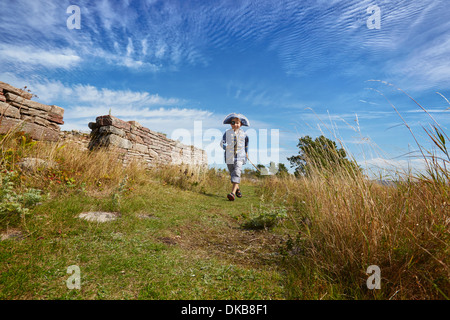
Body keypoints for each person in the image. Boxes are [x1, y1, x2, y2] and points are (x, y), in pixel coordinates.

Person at [220, 113, 249, 201]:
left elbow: (246, 145)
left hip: (240, 156)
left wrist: (246, 154)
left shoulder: (244, 135)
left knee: (237, 172)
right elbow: (221, 143)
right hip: (229, 156)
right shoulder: (227, 133)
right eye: (233, 122)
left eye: (237, 122)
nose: (235, 124)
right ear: (230, 124)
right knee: (233, 173)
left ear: (241, 124)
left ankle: (232, 193)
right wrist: (225, 146)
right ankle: (237, 189)